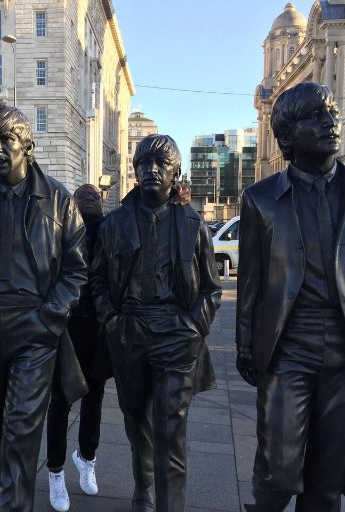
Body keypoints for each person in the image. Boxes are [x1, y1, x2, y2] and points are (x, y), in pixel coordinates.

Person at [0, 103, 88, 512]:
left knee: (20, 432)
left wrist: (50, 317)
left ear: (27, 144)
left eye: (5, 139)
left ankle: (10, 506)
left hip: (35, 329)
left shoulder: (60, 200)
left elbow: (76, 270)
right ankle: (7, 495)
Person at [91, 134, 221, 512]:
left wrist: (193, 328)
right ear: (134, 171)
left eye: (160, 164)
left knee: (171, 430)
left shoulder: (193, 224)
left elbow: (212, 289)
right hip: (129, 331)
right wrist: (111, 320)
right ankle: (142, 487)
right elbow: (97, 279)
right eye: (144, 163)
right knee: (137, 423)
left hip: (175, 334)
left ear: (174, 172)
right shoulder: (114, 223)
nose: (151, 170)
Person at [236, 82, 345, 511]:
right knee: (276, 473)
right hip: (288, 348)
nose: (331, 122)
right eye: (317, 116)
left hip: (341, 350)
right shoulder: (261, 199)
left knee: (328, 480)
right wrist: (246, 345)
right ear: (286, 137)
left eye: (332, 112)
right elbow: (251, 283)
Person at [45, 183, 106, 512]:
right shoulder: (63, 231)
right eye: (84, 199)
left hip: (97, 327)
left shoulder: (108, 230)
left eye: (94, 198)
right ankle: (55, 471)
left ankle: (87, 456)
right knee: (62, 400)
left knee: (94, 398)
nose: (88, 202)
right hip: (67, 327)